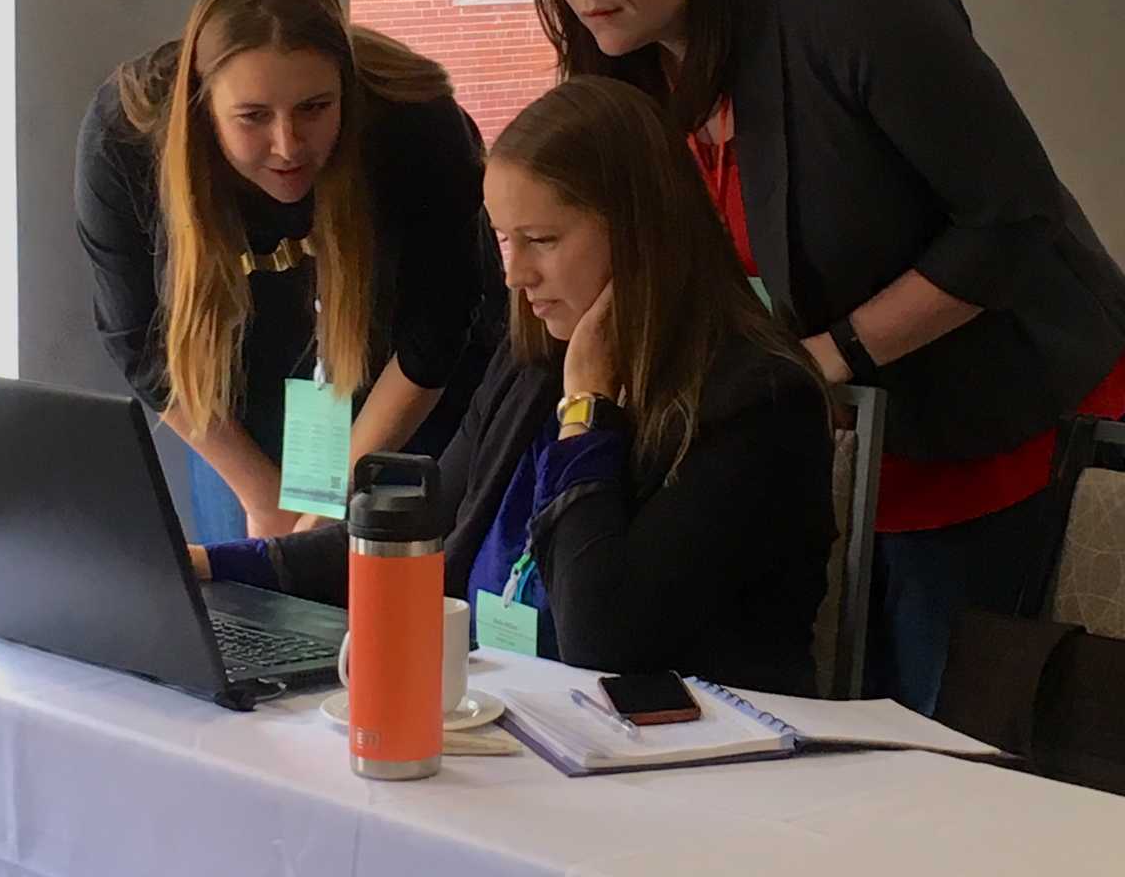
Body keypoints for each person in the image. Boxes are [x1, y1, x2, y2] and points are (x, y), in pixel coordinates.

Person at [514, 0, 1125, 713]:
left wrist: (820, 362)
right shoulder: (625, 45)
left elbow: (1010, 221)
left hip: (997, 414)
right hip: (828, 443)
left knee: (944, 754)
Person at [195, 77, 836, 694]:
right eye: (505, 240)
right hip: (513, 724)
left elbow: (601, 641)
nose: (516, 275)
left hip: (686, 766)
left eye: (542, 240)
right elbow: (412, 535)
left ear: (644, 236)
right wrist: (220, 564)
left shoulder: (759, 403)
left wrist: (588, 414)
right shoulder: (533, 366)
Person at [76, 0, 504, 543]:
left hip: (409, 402)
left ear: (347, 91)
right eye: (252, 117)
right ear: (203, 104)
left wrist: (340, 492)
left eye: (314, 108)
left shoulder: (415, 124)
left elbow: (438, 332)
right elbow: (140, 345)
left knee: (396, 605)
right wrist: (263, 498)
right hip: (235, 414)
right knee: (253, 610)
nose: (288, 145)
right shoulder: (124, 139)